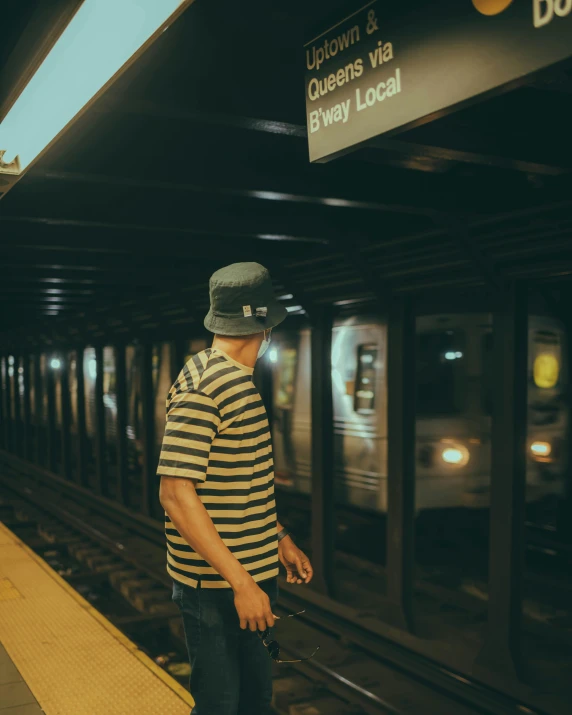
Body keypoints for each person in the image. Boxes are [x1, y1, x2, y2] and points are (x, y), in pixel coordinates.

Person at [158, 262, 313, 715]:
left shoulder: (229, 378)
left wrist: (277, 536)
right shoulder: (206, 388)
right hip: (217, 585)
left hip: (247, 573)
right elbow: (175, 492)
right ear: (262, 327)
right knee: (221, 705)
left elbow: (239, 483)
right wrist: (241, 582)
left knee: (254, 701)